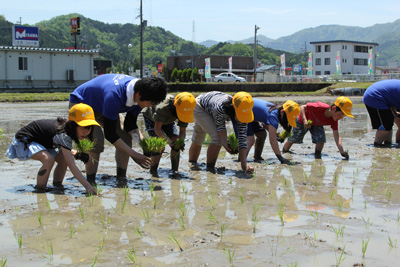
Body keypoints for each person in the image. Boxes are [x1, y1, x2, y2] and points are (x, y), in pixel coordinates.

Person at [69, 74, 168, 183]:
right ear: (139, 95)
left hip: (104, 105)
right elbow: (110, 134)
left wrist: (144, 144)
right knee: (96, 140)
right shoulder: (114, 95)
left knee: (125, 137)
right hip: (83, 104)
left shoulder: (139, 94)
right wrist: (134, 155)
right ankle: (90, 182)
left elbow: (130, 125)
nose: (150, 106)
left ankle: (121, 178)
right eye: (151, 103)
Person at [5, 103, 99, 194]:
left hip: (43, 142)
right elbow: (72, 165)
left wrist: (75, 153)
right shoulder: (63, 135)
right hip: (25, 140)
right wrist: (88, 186)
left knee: (63, 159)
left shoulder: (68, 132)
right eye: (83, 128)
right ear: (72, 125)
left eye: (89, 128)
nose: (86, 132)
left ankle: (57, 185)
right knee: (48, 159)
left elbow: (66, 152)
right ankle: (40, 189)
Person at [188, 91, 254, 173]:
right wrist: (225, 144)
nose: (242, 118)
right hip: (200, 106)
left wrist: (244, 165)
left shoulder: (244, 110)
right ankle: (209, 169)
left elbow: (242, 137)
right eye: (241, 114)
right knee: (216, 138)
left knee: (200, 135)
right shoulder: (221, 108)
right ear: (233, 108)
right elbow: (221, 128)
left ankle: (192, 163)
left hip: (211, 104)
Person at [141, 92, 196, 175]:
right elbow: (158, 130)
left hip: (169, 119)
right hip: (152, 118)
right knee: (159, 145)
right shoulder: (162, 108)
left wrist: (179, 142)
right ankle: (153, 171)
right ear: (175, 107)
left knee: (176, 142)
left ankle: (174, 171)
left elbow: (182, 132)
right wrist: (169, 142)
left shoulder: (186, 109)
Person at [282, 96, 354, 159]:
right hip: (303, 120)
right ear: (334, 108)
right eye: (341, 114)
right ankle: (285, 150)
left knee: (321, 139)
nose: (341, 117)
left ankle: (317, 155)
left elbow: (337, 136)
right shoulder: (320, 107)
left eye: (344, 116)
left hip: (316, 124)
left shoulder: (334, 120)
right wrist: (305, 120)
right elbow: (302, 107)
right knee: (295, 137)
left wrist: (342, 152)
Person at [239, 99, 300, 164]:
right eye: (287, 119)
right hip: (243, 111)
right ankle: (241, 160)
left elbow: (267, 126)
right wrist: (281, 158)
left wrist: (275, 134)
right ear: (282, 112)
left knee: (262, 134)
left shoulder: (275, 109)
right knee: (250, 140)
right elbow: (272, 140)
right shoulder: (273, 116)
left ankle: (257, 157)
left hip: (251, 114)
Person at [363, 79, 400, 146]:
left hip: (382, 96)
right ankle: (377, 146)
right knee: (385, 125)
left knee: (389, 123)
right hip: (375, 96)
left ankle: (388, 144)